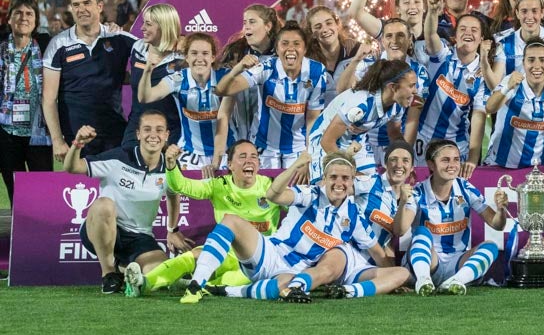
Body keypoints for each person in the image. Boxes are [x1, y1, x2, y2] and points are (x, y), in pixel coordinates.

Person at [181, 152, 409, 303]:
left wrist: (390, 281)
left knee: (285, 287)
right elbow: (273, 195)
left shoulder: (353, 217)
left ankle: (227, 291)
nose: (339, 183)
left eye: (345, 179)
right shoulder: (310, 194)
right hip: (270, 254)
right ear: (325, 178)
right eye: (334, 177)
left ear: (352, 182)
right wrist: (295, 167)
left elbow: (377, 251)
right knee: (231, 220)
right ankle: (196, 284)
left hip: (294, 272)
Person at [124, 140, 281, 296]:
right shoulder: (218, 185)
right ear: (230, 164)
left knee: (234, 280)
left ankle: (196, 285)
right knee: (189, 257)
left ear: (259, 164)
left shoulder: (272, 187)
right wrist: (171, 165)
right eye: (243, 156)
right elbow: (181, 186)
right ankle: (144, 283)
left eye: (254, 157)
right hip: (223, 252)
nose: (249, 161)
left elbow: (299, 206)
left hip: (258, 260)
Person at [63, 111, 184, 294]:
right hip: (104, 229)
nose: (153, 135)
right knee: (104, 204)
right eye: (147, 129)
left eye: (159, 130)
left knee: (159, 275)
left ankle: (123, 268)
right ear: (138, 134)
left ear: (166, 135)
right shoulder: (118, 157)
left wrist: (172, 230)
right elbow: (72, 167)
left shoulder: (170, 165)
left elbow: (174, 195)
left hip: (140, 237)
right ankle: (109, 274)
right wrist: (78, 144)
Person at [394, 139, 508, 295]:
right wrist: (402, 203)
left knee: (491, 246)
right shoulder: (418, 191)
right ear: (431, 164)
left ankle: (456, 282)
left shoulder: (466, 188)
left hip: (457, 263)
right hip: (429, 264)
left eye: (456, 159)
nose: (452, 165)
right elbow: (400, 231)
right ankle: (423, 281)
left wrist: (501, 210)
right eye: (445, 160)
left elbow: (497, 224)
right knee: (421, 233)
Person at [42, 0, 136, 159]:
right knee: (79, 187)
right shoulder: (58, 44)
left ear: (100, 6)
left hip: (114, 134)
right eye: (76, 5)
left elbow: (154, 52)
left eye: (87, 3)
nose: (81, 9)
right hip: (76, 139)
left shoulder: (119, 38)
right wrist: (57, 140)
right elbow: (49, 98)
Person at [215, 22, 326, 169]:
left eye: (296, 44)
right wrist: (238, 68)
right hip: (264, 147)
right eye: (285, 43)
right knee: (265, 191)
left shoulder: (317, 72)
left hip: (297, 150)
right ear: (277, 49)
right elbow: (223, 90)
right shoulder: (266, 67)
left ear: (304, 49)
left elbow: (312, 119)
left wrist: (309, 154)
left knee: (294, 191)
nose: (290, 49)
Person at [336, 17, 429, 168]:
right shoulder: (367, 64)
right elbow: (342, 91)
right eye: (389, 36)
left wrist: (406, 153)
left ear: (410, 39)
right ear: (383, 41)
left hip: (397, 140)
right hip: (362, 141)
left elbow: (413, 118)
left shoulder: (420, 73)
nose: (395, 41)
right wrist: (355, 61)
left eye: (400, 35)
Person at [137, 32, 232, 171]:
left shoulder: (226, 78)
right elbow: (146, 97)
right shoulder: (178, 79)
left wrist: (216, 162)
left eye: (205, 53)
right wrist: (147, 71)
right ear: (186, 57)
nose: (199, 58)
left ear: (212, 57)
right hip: (189, 152)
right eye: (194, 53)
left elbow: (224, 119)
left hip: (226, 150)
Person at [310, 59, 419, 178]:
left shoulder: (397, 106)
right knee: (347, 183)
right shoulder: (361, 104)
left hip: (355, 144)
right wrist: (349, 171)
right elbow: (327, 141)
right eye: (411, 86)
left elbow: (394, 134)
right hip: (324, 144)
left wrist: (407, 162)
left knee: (371, 184)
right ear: (393, 87)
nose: (415, 90)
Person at [417, 0, 487, 169]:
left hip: (456, 148)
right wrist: (432, 12)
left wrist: (472, 158)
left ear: (481, 39)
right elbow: (431, 34)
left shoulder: (483, 75)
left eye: (474, 30)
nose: (468, 33)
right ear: (456, 36)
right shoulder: (443, 55)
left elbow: (479, 117)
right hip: (423, 140)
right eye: (463, 29)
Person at [485, 38, 544, 176]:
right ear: (523, 63)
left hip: (539, 167)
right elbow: (490, 108)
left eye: (542, 60)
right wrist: (507, 87)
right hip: (500, 164)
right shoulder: (512, 82)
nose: (537, 66)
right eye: (531, 60)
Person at [0, 0, 52, 206]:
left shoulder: (48, 45)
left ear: (36, 21)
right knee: (15, 191)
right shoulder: (1, 47)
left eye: (29, 13)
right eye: (18, 13)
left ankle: (45, 234)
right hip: (6, 132)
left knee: (44, 189)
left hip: (38, 131)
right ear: (9, 19)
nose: (23, 18)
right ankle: (20, 235)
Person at [124, 4, 183, 148]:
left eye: (148, 24)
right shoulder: (138, 48)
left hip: (170, 132)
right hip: (137, 128)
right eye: (144, 22)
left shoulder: (183, 58)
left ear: (164, 26)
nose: (142, 28)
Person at [219, 4, 278, 142]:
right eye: (245, 23)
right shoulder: (235, 53)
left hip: (270, 141)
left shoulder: (282, 56)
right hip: (239, 136)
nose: (246, 27)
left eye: (252, 22)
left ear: (267, 26)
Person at [354, 140, 413, 254]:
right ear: (385, 164)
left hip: (375, 262)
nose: (399, 165)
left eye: (405, 160)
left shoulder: (411, 199)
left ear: (411, 168)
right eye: (393, 159)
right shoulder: (371, 182)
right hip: (351, 254)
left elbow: (398, 232)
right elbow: (337, 189)